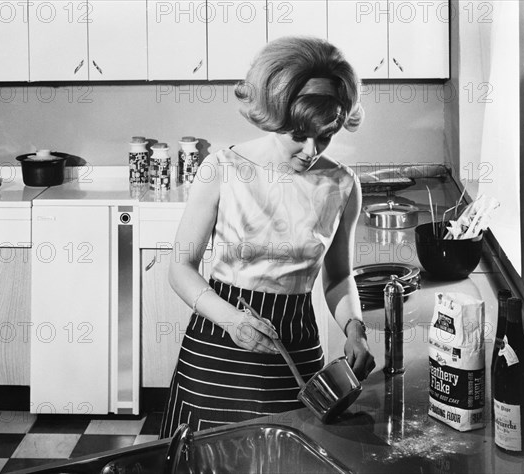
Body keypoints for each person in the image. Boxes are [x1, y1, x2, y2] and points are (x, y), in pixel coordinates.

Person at [160, 36, 375, 437]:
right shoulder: (222, 168)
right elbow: (180, 267)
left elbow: (340, 278)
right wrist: (231, 320)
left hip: (298, 350)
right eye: (300, 134)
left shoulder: (342, 185)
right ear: (275, 117)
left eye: (325, 135)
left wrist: (355, 330)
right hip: (218, 347)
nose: (311, 149)